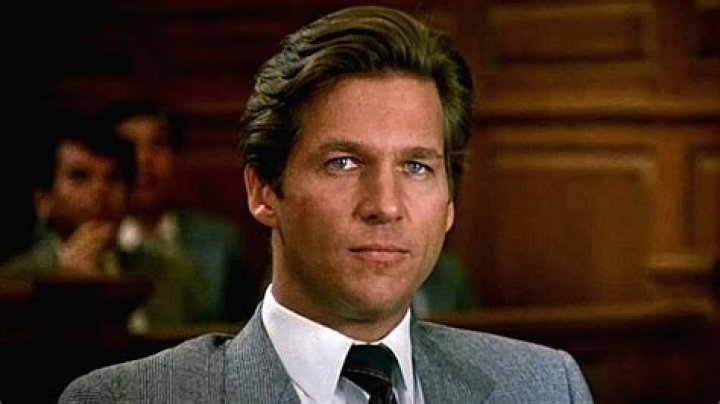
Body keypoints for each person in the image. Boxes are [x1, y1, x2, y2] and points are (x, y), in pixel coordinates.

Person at [60, 6, 593, 403]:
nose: (385, 205)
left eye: (416, 167)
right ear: (263, 192)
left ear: (449, 202)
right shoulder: (128, 399)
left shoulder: (545, 386)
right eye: (344, 163)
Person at [0, 113, 209, 328]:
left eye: (113, 177)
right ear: (44, 200)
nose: (100, 190)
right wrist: (70, 286)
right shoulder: (15, 281)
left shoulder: (172, 273)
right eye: (80, 176)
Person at [97, 98, 261, 322]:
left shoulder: (220, 242)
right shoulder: (93, 244)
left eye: (158, 146)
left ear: (177, 159)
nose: (144, 159)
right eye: (129, 147)